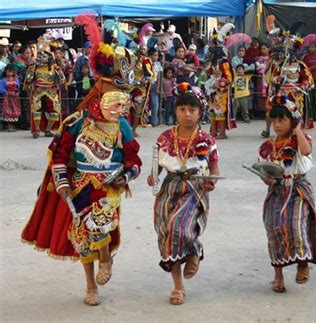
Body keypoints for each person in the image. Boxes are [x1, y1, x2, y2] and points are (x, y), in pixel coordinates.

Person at [21, 23, 142, 305]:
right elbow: (60, 157)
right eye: (115, 101)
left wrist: (125, 176)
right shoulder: (76, 123)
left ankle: (106, 257)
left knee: (99, 224)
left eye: (123, 103)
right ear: (100, 97)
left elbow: (133, 158)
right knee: (82, 238)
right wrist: (62, 185)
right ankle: (91, 286)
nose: (120, 108)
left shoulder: (122, 126)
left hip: (108, 186)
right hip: (80, 184)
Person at [147, 83, 219, 305]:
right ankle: (178, 287)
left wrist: (211, 181)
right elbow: (157, 164)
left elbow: (214, 166)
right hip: (169, 189)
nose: (187, 114)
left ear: (200, 112)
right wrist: (153, 175)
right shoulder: (165, 137)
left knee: (177, 226)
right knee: (166, 236)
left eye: (192, 110)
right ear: (175, 110)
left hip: (193, 189)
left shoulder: (207, 139)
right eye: (182, 109)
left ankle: (194, 250)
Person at [257, 94, 316, 293]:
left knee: (295, 225)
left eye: (282, 120)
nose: (277, 124)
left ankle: (302, 263)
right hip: (275, 191)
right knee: (274, 230)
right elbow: (263, 170)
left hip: (297, 189)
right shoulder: (266, 146)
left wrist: (298, 129)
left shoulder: (300, 140)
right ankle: (278, 276)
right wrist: (265, 178)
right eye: (274, 120)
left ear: (292, 120)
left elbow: (307, 151)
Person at [26, 37, 66, 138]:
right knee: (36, 109)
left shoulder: (55, 67)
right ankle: (37, 130)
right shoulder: (34, 67)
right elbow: (29, 79)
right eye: (40, 55)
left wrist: (60, 78)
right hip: (38, 89)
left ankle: (48, 130)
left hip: (51, 89)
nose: (41, 57)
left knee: (56, 110)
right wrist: (31, 70)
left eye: (44, 55)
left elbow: (63, 79)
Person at [0, 64, 21, 131]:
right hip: (7, 98)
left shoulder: (16, 79)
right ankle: (9, 126)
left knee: (14, 110)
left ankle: (13, 125)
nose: (9, 73)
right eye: (8, 71)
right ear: (5, 71)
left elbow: (18, 87)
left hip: (15, 98)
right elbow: (1, 88)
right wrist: (6, 92)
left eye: (11, 72)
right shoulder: (3, 80)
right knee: (8, 111)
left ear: (13, 72)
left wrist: (17, 91)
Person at [148, 48, 163, 127]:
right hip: (147, 84)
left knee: (155, 104)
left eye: (157, 55)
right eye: (155, 55)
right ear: (150, 56)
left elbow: (159, 77)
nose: (156, 57)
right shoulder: (146, 62)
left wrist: (158, 87)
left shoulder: (158, 64)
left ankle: (153, 121)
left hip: (154, 84)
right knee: (146, 104)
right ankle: (145, 120)